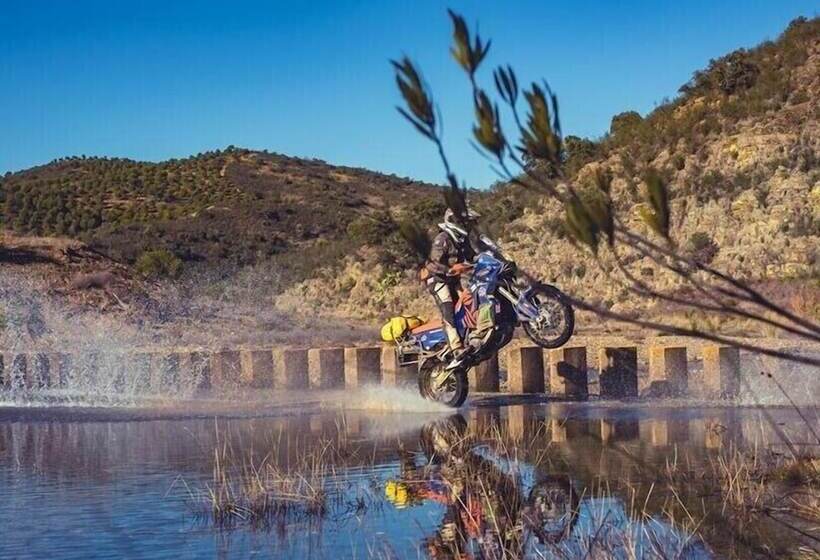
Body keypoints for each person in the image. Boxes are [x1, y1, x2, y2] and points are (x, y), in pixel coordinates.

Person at [422, 208, 478, 370]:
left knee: (470, 303)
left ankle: (472, 337)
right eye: (465, 222)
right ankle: (456, 348)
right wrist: (450, 270)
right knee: (448, 309)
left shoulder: (462, 240)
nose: (468, 225)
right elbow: (432, 264)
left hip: (454, 280)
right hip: (438, 280)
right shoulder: (443, 239)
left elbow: (473, 256)